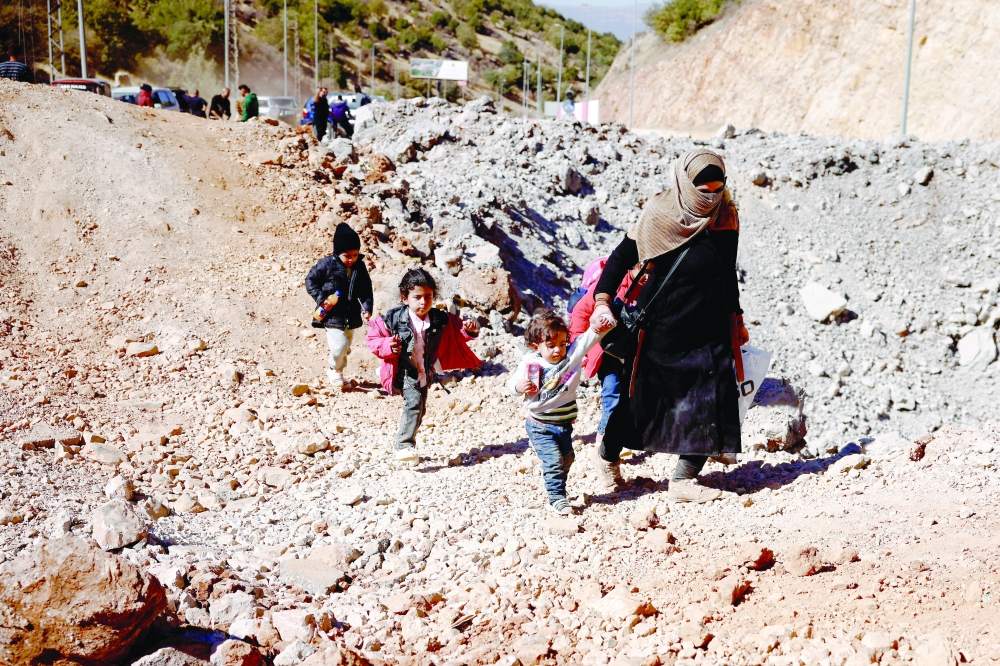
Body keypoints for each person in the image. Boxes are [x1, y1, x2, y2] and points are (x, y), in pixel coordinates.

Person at [588, 148, 748, 504]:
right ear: (685, 183)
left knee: (715, 399)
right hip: (661, 328)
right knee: (642, 404)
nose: (710, 194)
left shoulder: (725, 217)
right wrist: (602, 301)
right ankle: (607, 455)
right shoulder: (660, 215)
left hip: (710, 328)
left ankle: (683, 479)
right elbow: (620, 259)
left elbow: (728, 273)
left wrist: (736, 318)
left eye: (717, 186)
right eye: (702, 187)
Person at [366, 268, 481, 462]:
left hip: (424, 371)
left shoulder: (439, 318)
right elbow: (373, 340)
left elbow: (456, 333)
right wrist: (388, 345)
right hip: (403, 370)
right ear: (405, 298)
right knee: (413, 402)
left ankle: (406, 444)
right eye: (417, 297)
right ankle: (404, 446)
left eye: (428, 296)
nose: (423, 302)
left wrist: (469, 329)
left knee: (421, 407)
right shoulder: (393, 319)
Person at [508, 311, 615, 514]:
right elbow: (511, 384)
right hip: (539, 426)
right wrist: (520, 387)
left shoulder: (571, 357)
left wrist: (602, 325)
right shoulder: (531, 364)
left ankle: (556, 483)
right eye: (551, 346)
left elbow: (588, 339)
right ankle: (557, 496)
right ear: (535, 347)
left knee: (567, 458)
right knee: (553, 460)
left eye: (562, 344)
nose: (558, 350)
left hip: (564, 425)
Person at [568, 262, 647, 453]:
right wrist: (579, 348)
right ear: (633, 266)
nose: (647, 276)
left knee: (632, 396)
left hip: (634, 351)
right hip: (606, 349)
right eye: (644, 270)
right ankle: (606, 443)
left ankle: (621, 438)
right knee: (612, 392)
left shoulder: (655, 287)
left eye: (652, 271)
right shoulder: (612, 283)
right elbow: (581, 312)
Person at [305, 223, 374, 390]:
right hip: (332, 314)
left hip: (351, 314)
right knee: (340, 344)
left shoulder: (360, 267)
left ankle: (338, 371)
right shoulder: (326, 264)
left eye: (355, 255)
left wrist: (367, 307)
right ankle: (333, 369)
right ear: (337, 253)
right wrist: (321, 298)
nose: (351, 259)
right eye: (346, 255)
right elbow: (310, 280)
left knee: (346, 346)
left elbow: (366, 289)